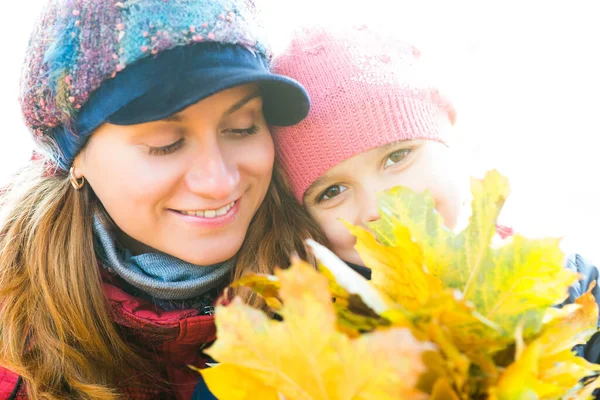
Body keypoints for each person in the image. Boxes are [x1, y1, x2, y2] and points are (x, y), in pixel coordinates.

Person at [0, 0, 325, 398]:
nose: (220, 182)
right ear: (75, 158)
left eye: (242, 128)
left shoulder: (342, 272)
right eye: (166, 144)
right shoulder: (13, 353)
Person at [270, 24, 600, 367]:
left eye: (397, 157)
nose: (379, 207)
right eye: (332, 192)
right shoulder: (308, 351)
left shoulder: (570, 289)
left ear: (448, 147)